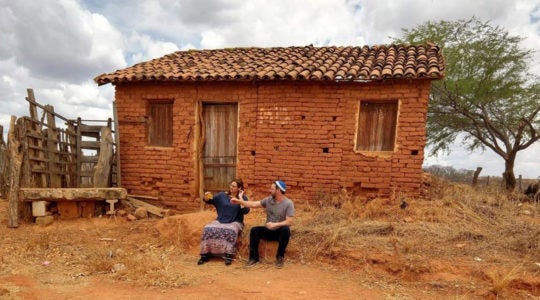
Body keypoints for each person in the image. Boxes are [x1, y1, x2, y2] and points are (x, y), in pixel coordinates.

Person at [231, 180, 294, 269]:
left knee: (286, 229)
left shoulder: (288, 203)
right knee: (254, 230)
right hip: (268, 230)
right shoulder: (268, 200)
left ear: (278, 190)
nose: (270, 190)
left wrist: (275, 224)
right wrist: (239, 202)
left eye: (272, 189)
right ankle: (254, 258)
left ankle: (280, 257)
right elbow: (253, 204)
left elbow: (290, 221)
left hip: (280, 232)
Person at [198, 178, 250, 266]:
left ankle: (228, 255)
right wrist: (206, 197)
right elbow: (210, 200)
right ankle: (205, 255)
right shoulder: (222, 195)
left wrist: (240, 198)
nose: (231, 187)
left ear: (239, 188)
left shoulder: (243, 198)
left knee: (231, 230)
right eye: (231, 185)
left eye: (234, 186)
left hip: (235, 222)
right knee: (207, 228)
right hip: (221, 220)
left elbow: (245, 211)